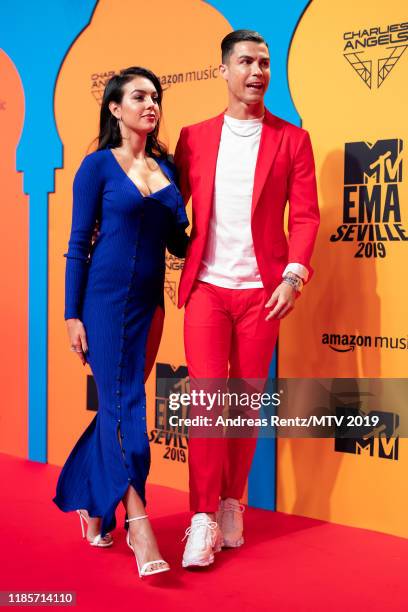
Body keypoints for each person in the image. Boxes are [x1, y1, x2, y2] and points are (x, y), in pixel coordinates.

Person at [174, 30, 320, 568]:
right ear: (224, 70)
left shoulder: (292, 139)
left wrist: (293, 276)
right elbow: (170, 208)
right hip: (208, 290)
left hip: (264, 292)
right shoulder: (194, 137)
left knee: (243, 403)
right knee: (208, 404)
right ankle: (201, 518)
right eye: (245, 62)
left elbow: (305, 216)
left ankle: (234, 501)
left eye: (264, 63)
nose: (257, 71)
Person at [53, 66, 189, 578]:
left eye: (155, 96)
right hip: (104, 304)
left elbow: (178, 241)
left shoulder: (167, 170)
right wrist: (71, 314)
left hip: (150, 306)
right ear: (115, 108)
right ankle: (139, 522)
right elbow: (76, 248)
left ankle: (90, 503)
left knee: (118, 405)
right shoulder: (96, 168)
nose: (150, 104)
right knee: (126, 406)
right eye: (138, 96)